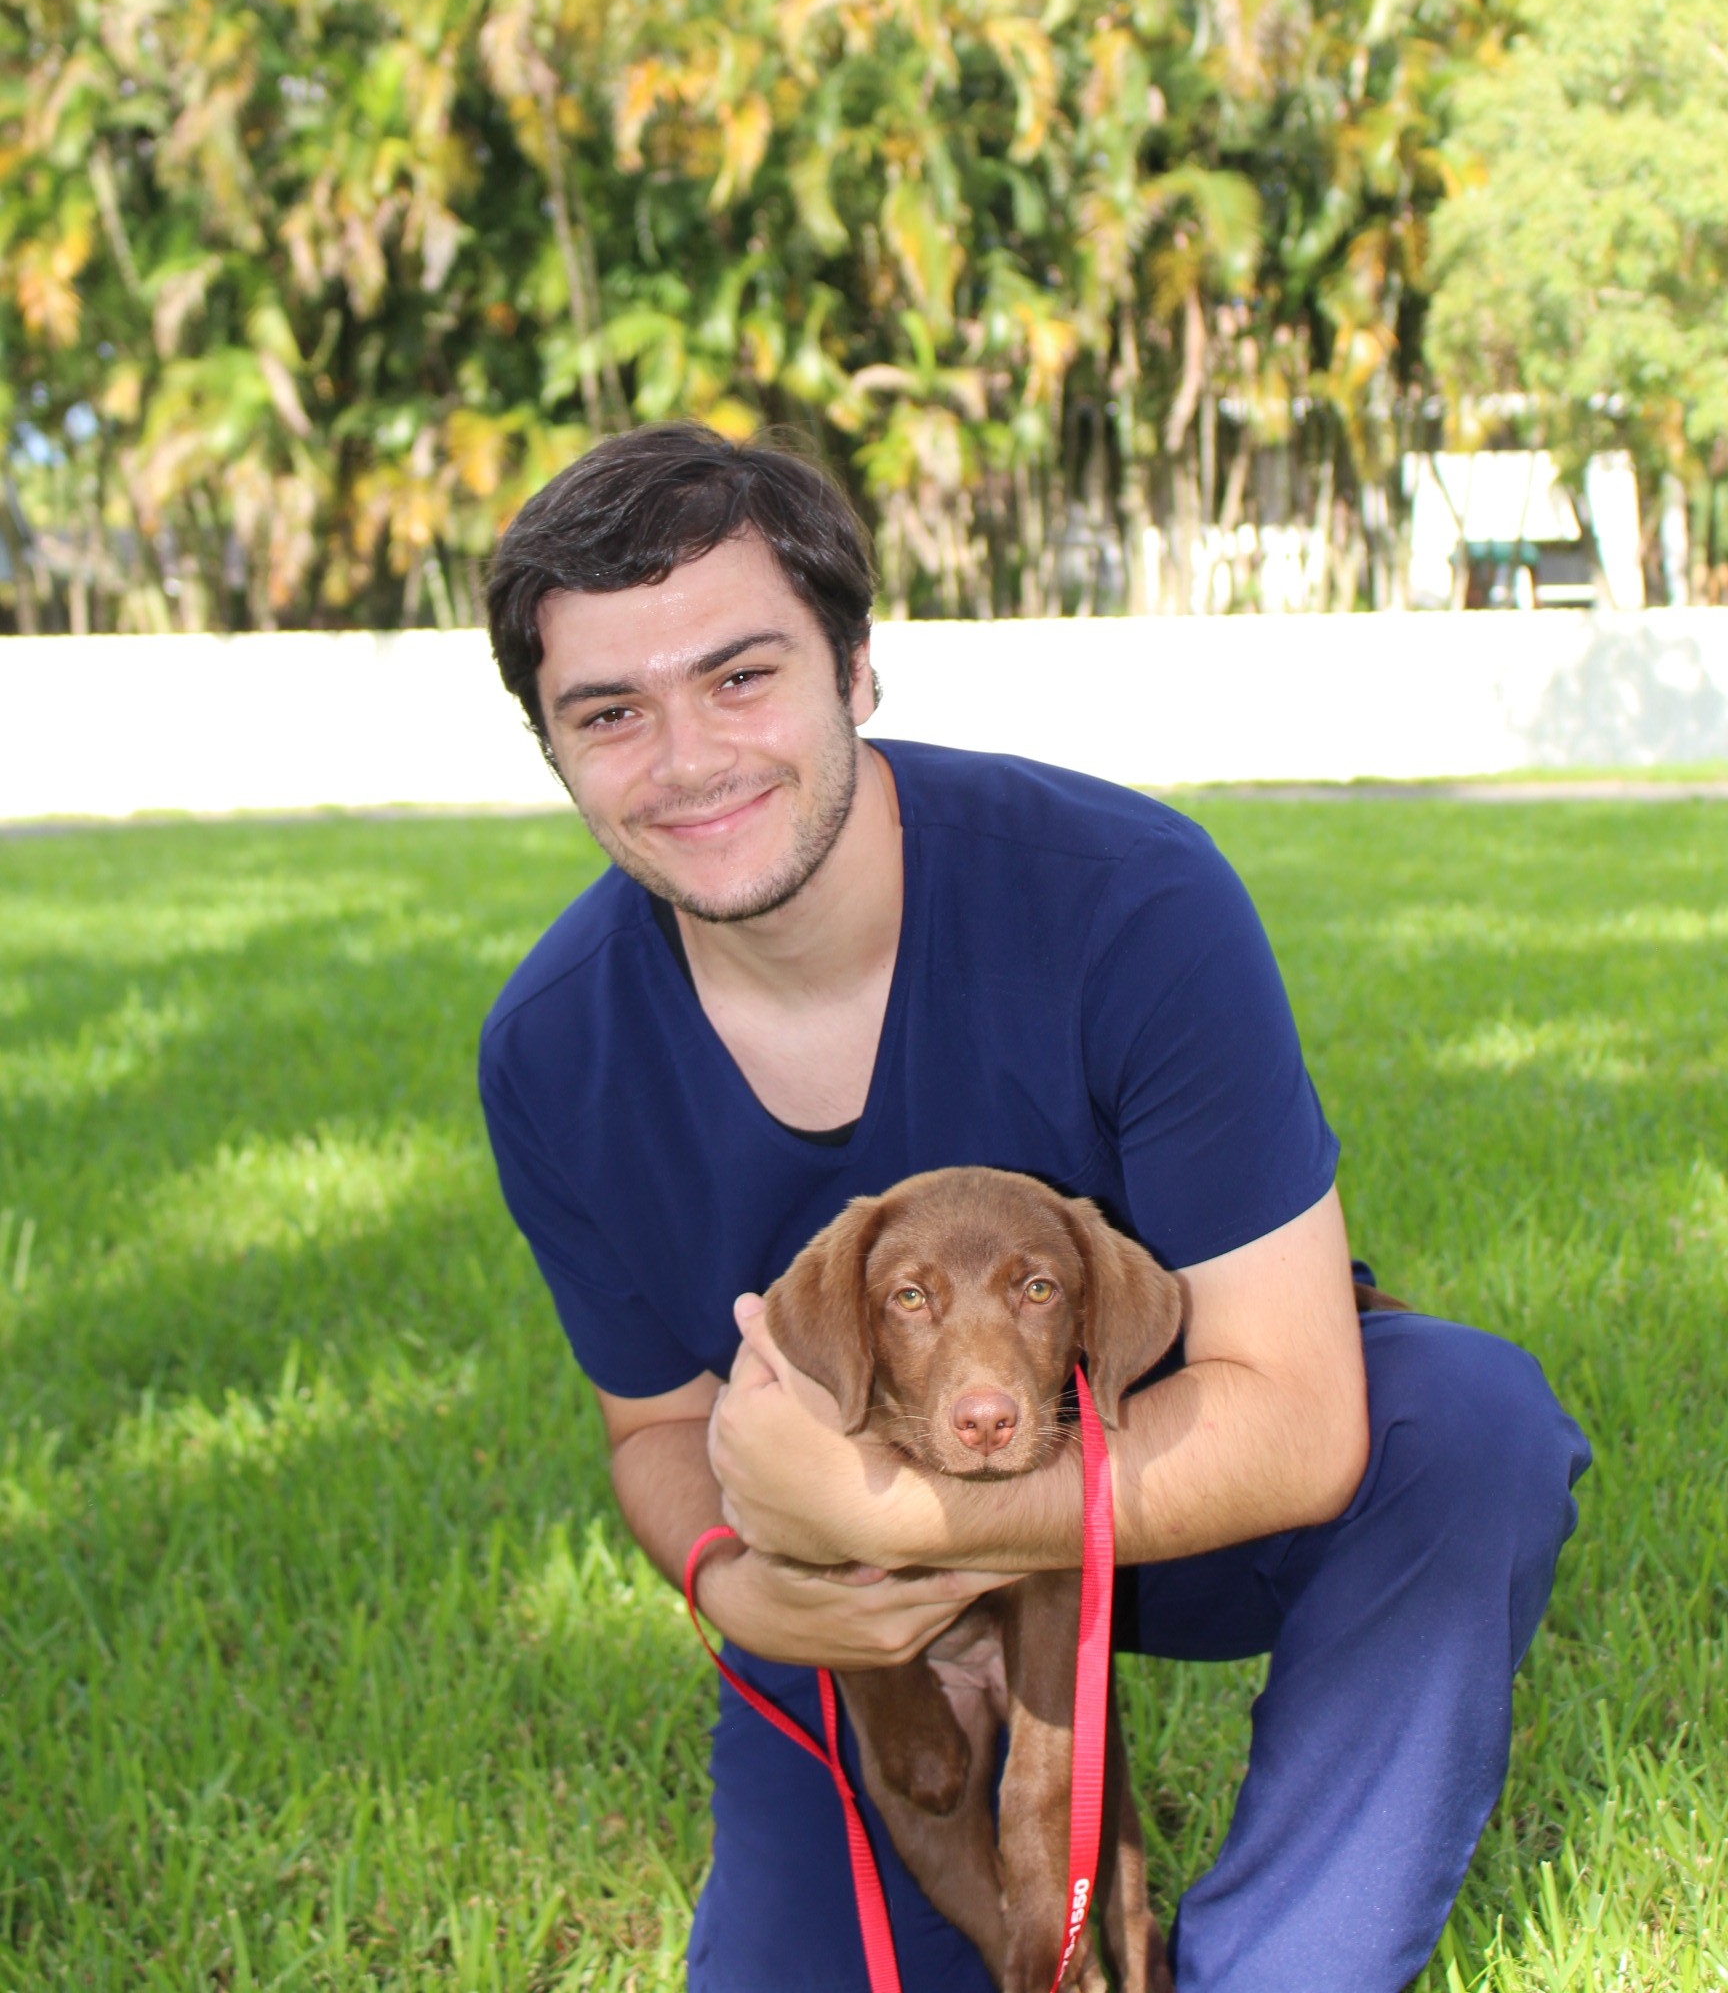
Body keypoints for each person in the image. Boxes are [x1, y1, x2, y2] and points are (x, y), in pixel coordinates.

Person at [477, 422, 1589, 1993]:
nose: (689, 758)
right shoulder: (553, 1052)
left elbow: (1301, 1416)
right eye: (610, 711)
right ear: (556, 750)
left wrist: (901, 1508)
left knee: (1461, 1424)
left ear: (856, 669)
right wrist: (759, 1585)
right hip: (868, 1622)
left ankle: (1279, 1967)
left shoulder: (1128, 900)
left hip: (1180, 1489)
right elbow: (655, 1430)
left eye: (742, 677)